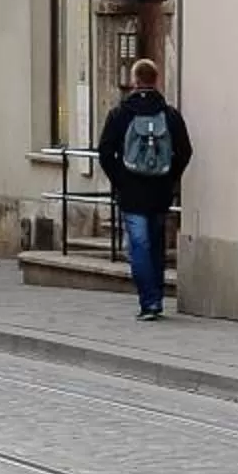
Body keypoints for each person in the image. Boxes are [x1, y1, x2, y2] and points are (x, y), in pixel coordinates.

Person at [97, 59, 192, 320]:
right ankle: (156, 299)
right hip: (159, 193)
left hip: (131, 193)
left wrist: (120, 180)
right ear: (156, 79)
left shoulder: (120, 114)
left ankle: (149, 302)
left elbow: (105, 152)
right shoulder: (170, 115)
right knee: (155, 245)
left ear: (135, 81)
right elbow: (185, 151)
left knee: (139, 246)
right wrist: (170, 178)